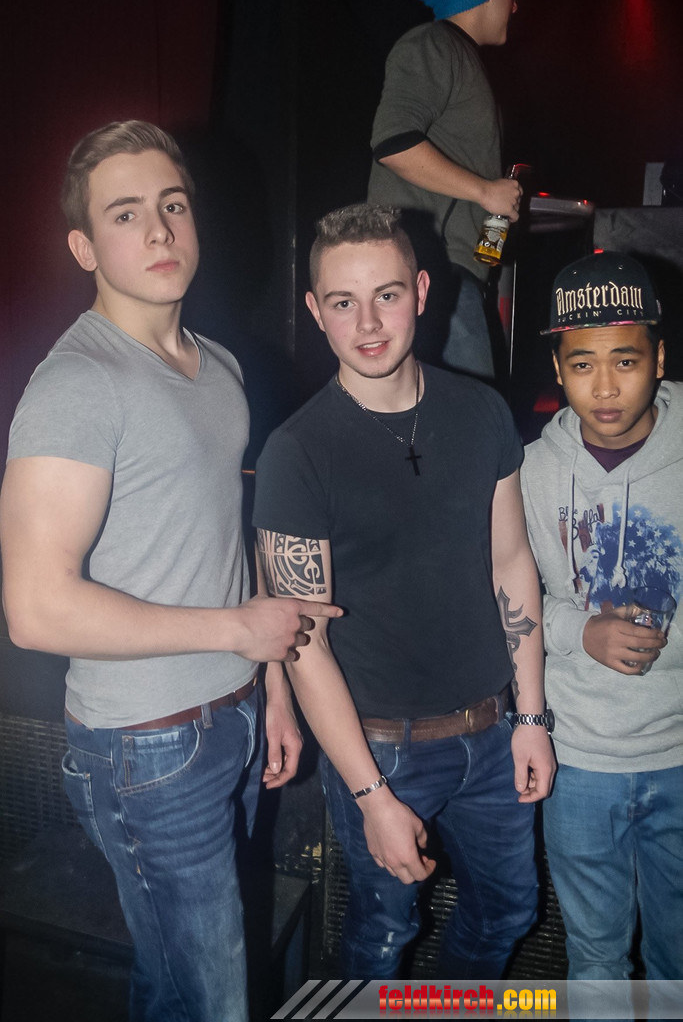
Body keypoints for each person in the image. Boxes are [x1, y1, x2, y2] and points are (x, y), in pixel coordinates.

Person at [0, 120, 340, 1022]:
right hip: (145, 748)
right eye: (124, 214)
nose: (157, 230)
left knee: (175, 984)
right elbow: (35, 609)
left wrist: (268, 686)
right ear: (84, 247)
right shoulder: (77, 386)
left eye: (172, 205)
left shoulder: (217, 366)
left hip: (230, 716)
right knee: (216, 1002)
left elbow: (222, 546)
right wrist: (237, 632)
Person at [253, 203, 555, 980]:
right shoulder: (296, 452)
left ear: (420, 291)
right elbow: (303, 642)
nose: (367, 324)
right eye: (343, 302)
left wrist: (529, 717)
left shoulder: (481, 412)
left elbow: (511, 563)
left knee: (509, 912)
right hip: (381, 747)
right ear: (315, 310)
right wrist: (369, 795)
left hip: (492, 731)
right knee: (381, 938)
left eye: (385, 295)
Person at [520, 251, 683, 983]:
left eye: (626, 360)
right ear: (558, 371)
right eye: (582, 364)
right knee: (592, 960)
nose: (606, 386)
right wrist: (578, 631)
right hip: (579, 755)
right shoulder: (531, 471)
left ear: (658, 359)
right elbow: (514, 593)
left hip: (679, 751)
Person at [367, 0, 522, 380]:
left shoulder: (461, 55)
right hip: (434, 272)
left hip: (454, 276)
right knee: (473, 411)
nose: (515, 7)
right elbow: (393, 144)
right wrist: (486, 191)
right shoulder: (432, 44)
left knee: (467, 408)